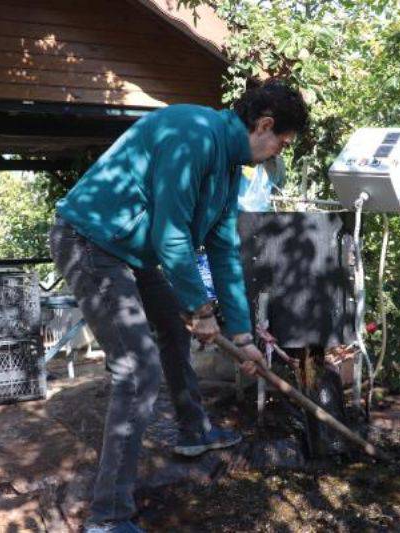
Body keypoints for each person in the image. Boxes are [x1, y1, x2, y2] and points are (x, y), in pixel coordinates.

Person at [49, 79, 309, 533]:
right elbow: (171, 232)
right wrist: (200, 310)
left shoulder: (229, 167)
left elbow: (224, 247)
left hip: (136, 251)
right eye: (280, 144)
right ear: (264, 125)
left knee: (171, 330)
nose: (277, 154)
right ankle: (108, 517)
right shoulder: (194, 134)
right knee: (137, 370)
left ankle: (195, 431)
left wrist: (243, 336)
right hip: (92, 242)